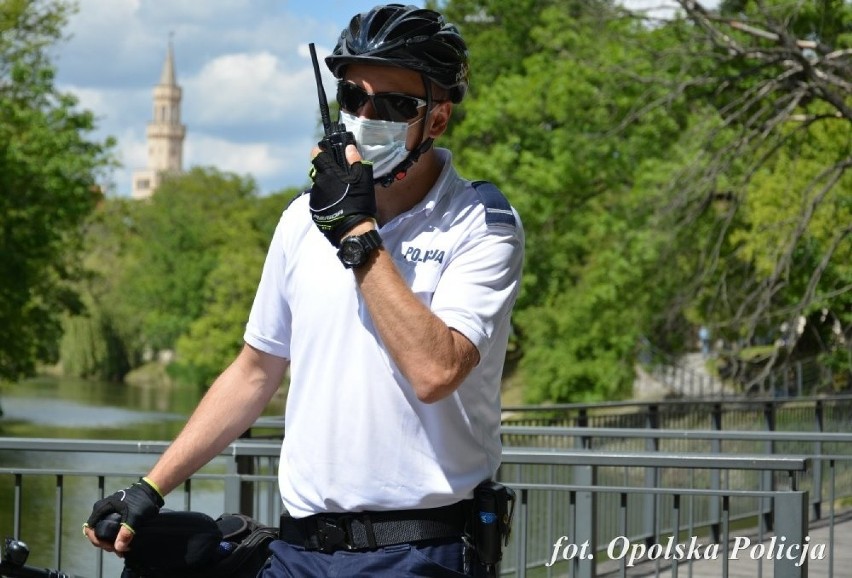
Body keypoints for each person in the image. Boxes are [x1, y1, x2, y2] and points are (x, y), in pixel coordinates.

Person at [83, 4, 524, 577]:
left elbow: (436, 372)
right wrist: (151, 486)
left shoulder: (481, 223)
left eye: (393, 105)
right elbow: (255, 370)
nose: (367, 115)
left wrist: (357, 234)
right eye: (352, 97)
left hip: (420, 550)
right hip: (299, 548)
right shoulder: (300, 219)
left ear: (435, 121)